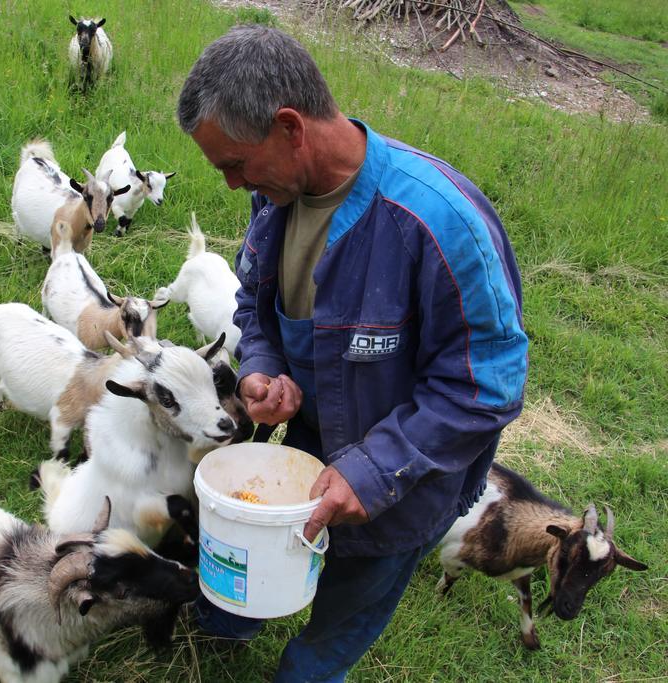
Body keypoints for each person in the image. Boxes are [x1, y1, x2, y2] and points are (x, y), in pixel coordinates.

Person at [177, 25, 529, 682]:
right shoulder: (276, 194)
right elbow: (253, 303)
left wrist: (370, 473)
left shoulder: (438, 226)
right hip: (309, 447)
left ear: (290, 128)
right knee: (255, 562)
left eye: (234, 165)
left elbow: (487, 385)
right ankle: (225, 623)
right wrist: (262, 366)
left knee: (344, 610)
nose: (230, 185)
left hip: (403, 487)